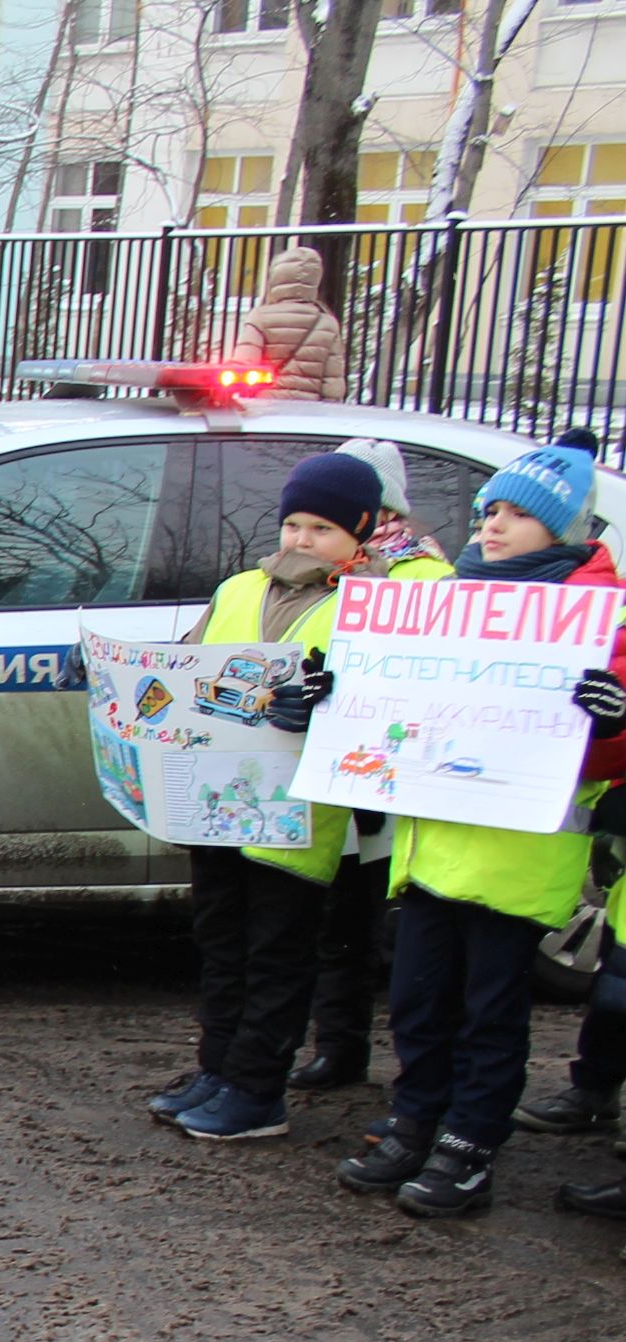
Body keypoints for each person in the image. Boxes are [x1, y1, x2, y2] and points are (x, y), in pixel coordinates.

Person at [324, 433, 626, 1213]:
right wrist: (336, 698)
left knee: (488, 1015)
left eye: (514, 515)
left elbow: (606, 756)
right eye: (487, 510)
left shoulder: (600, 619)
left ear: (564, 530)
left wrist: (613, 722)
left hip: (516, 861)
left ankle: (469, 1145)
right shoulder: (447, 603)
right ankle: (416, 1118)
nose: (489, 526)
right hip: (432, 851)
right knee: (421, 1002)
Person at [148, 451, 393, 1141]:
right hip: (216, 804)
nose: (301, 539)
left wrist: (326, 706)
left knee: (276, 953)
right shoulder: (236, 590)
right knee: (220, 943)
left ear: (360, 532)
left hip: (296, 819)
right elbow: (188, 667)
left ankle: (258, 1089)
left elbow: (381, 713)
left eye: (321, 527)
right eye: (292, 523)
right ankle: (218, 1067)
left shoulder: (369, 609)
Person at [293, 439, 438, 1091]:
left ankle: (351, 1049)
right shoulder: (321, 565)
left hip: (378, 773)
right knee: (330, 920)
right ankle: (337, 1044)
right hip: (321, 766)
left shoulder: (421, 578)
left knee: (356, 920)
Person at [229, 244, 349, 402]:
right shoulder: (327, 323)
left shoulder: (260, 317)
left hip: (264, 408)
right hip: (306, 412)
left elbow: (243, 367)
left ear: (277, 278)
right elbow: (332, 383)